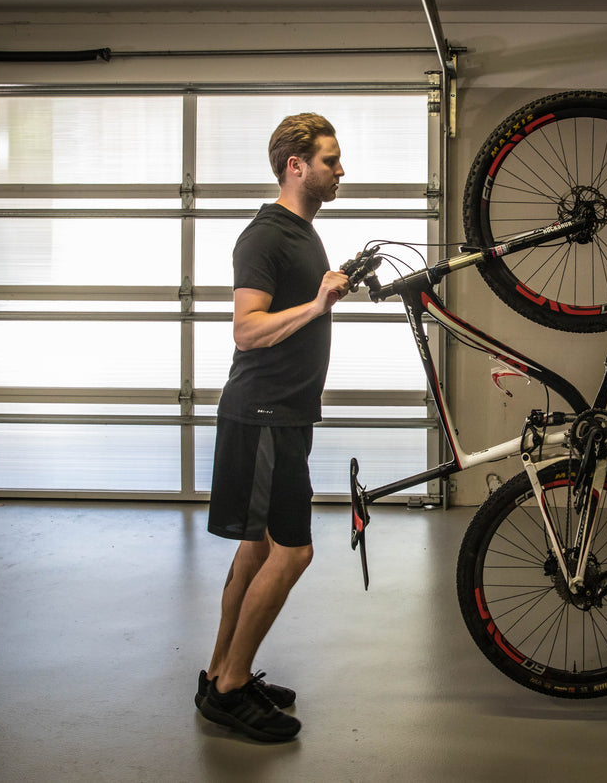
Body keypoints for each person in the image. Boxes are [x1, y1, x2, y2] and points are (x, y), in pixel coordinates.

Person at [195, 113, 349, 743]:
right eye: (331, 161)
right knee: (294, 551)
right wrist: (316, 305)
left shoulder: (303, 233)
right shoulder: (265, 237)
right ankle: (230, 690)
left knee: (256, 547)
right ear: (296, 165)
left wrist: (327, 297)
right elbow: (246, 329)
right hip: (263, 416)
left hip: (283, 415)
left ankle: (219, 674)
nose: (341, 171)